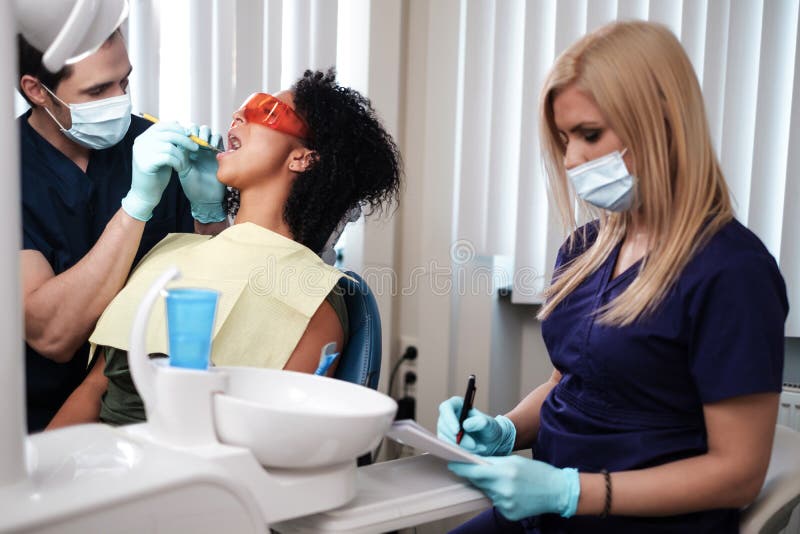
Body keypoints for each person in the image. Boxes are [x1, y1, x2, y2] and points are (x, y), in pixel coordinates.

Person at [438, 20, 788, 533]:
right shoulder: (585, 249)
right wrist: (506, 430)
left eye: (590, 134)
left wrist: (571, 491)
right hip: (550, 517)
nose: (572, 158)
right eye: (564, 138)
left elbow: (737, 474)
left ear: (663, 122)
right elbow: (569, 384)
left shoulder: (733, 273)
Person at [46, 69, 401, 429]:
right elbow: (93, 391)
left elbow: (277, 435)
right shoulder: (169, 255)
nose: (238, 115)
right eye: (243, 106)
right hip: (96, 465)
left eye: (266, 108)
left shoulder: (314, 297)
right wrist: (38, 474)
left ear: (303, 158)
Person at [18, 30, 228, 432]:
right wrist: (136, 207)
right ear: (37, 90)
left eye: (124, 82)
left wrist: (209, 213)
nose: (120, 101)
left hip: (143, 414)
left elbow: (212, 288)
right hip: (34, 425)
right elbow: (51, 335)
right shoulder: (9, 169)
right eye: (98, 91)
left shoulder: (154, 146)